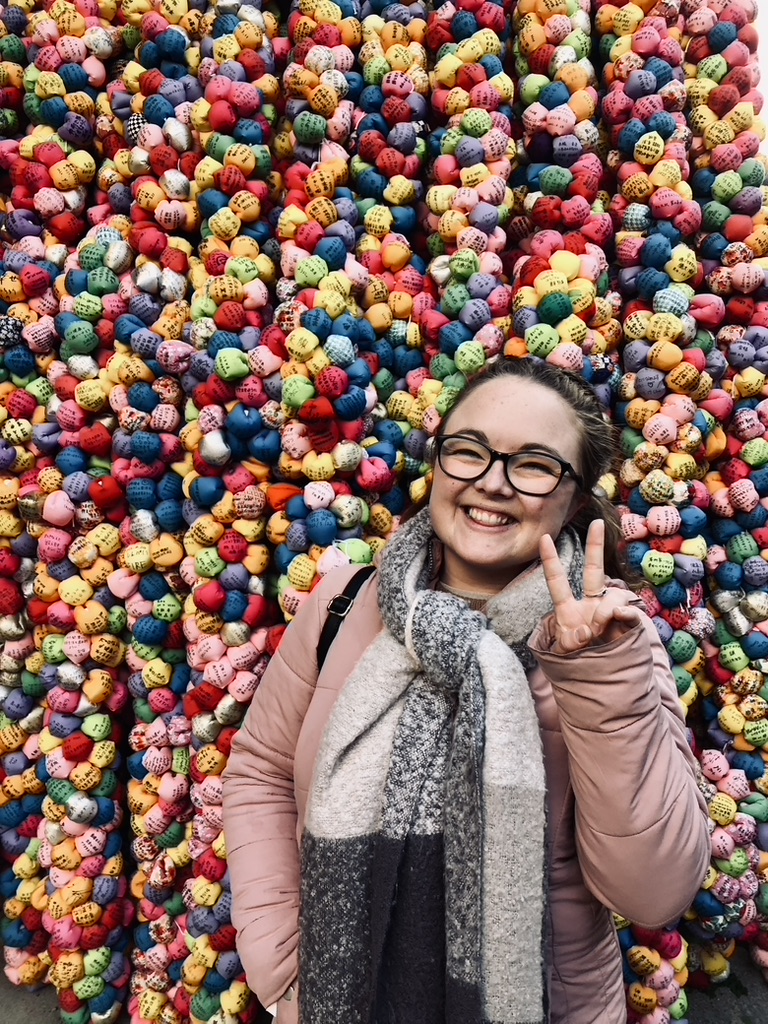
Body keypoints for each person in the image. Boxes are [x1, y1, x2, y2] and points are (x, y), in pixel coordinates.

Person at [223, 358, 710, 1024]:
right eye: (469, 451)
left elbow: (653, 893)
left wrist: (598, 682)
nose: (491, 482)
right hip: (336, 999)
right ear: (439, 462)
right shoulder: (343, 604)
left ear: (574, 497)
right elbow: (262, 774)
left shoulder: (613, 643)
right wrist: (283, 968)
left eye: (534, 464)